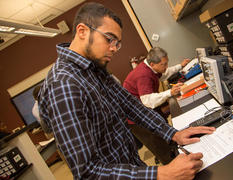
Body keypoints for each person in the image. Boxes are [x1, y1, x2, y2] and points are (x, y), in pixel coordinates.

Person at [38, 2, 215, 179]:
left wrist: (173, 134)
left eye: (117, 43)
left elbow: (131, 105)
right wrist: (162, 173)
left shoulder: (94, 68)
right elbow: (87, 172)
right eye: (109, 39)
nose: (114, 48)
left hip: (131, 167)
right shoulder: (63, 85)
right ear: (83, 31)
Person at [123, 47, 190, 165]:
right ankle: (172, 165)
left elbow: (164, 74)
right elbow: (147, 101)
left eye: (166, 62)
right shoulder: (143, 75)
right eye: (163, 64)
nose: (166, 66)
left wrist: (180, 66)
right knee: (158, 143)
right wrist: (170, 92)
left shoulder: (151, 68)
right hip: (135, 118)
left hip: (144, 109)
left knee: (165, 129)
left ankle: (175, 151)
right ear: (152, 64)